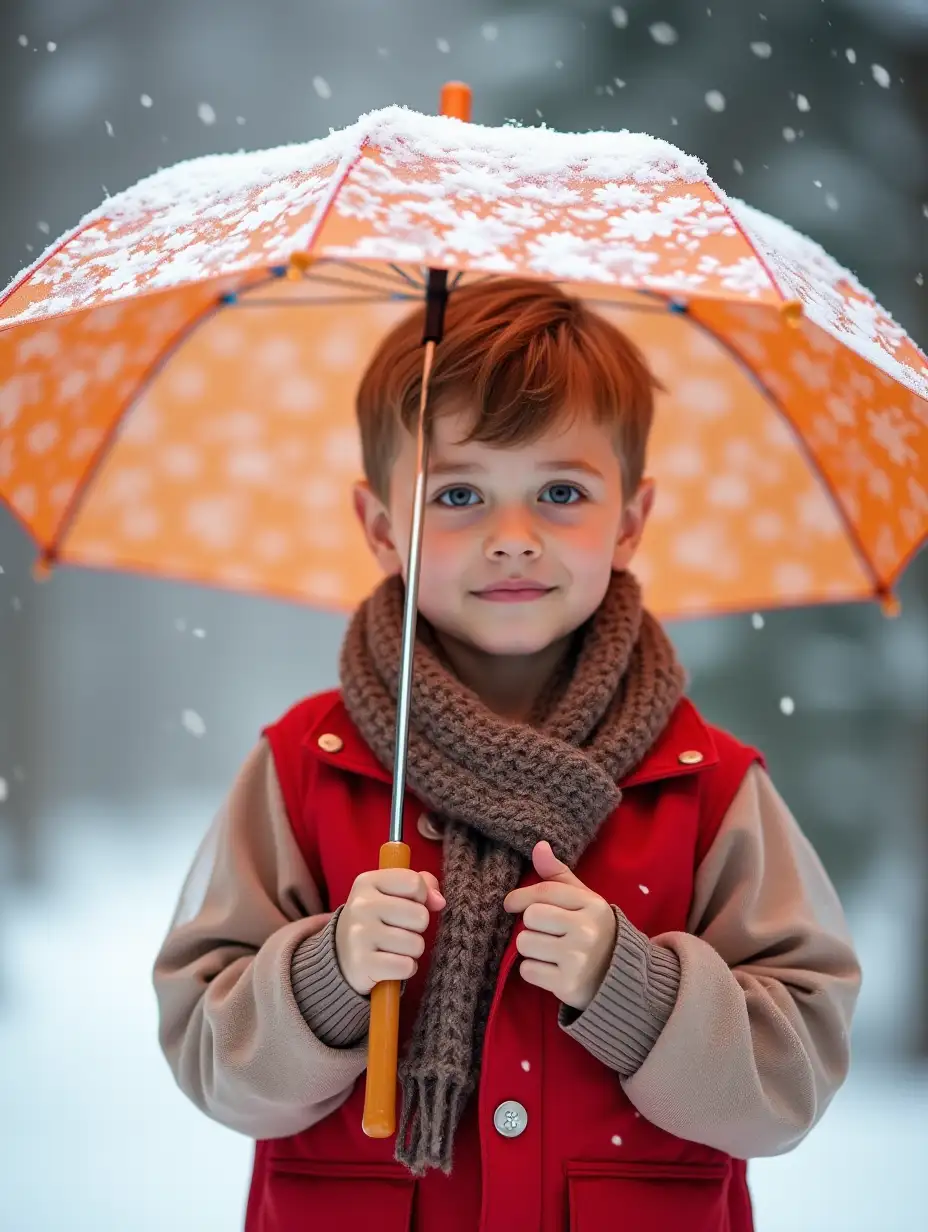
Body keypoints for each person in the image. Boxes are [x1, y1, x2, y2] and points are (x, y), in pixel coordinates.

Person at [153, 278, 861, 1232]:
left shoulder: (708, 786)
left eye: (560, 492)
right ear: (378, 526)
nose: (512, 539)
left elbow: (792, 1077)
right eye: (458, 494)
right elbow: (210, 1056)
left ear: (630, 519)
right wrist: (326, 980)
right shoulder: (306, 767)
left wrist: (638, 990)